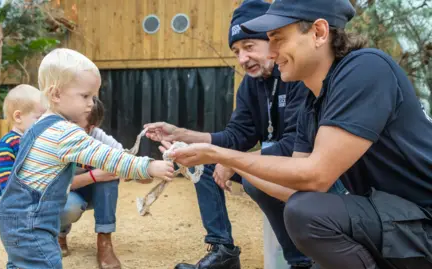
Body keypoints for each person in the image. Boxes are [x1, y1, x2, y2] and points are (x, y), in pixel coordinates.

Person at [168, 0, 432, 268]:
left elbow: (316, 176)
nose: (271, 53)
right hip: (394, 219)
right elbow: (295, 186)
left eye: (278, 39)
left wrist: (221, 155)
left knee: (307, 213)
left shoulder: (366, 69)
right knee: (306, 212)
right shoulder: (313, 100)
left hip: (423, 222)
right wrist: (229, 161)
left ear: (318, 32)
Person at [145, 1, 345, 268]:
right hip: (274, 159)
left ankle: (301, 261)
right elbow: (236, 136)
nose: (242, 59)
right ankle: (223, 250)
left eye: (249, 47)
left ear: (273, 42)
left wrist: (232, 161)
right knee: (205, 166)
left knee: (252, 177)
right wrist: (181, 134)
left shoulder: (298, 75)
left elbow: (294, 146)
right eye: (237, 51)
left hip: (309, 167)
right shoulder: (251, 86)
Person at [0, 48, 175, 269]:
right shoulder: (64, 132)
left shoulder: (39, 128)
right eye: (85, 96)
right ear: (56, 94)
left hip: (14, 218)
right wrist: (150, 166)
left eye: (94, 96)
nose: (92, 103)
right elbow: (109, 158)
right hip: (31, 222)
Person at [58, 97, 124, 269]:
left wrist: (146, 170)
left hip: (93, 193)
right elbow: (52, 185)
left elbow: (124, 159)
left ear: (91, 128)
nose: (68, 125)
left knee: (109, 176)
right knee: (68, 206)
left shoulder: (98, 136)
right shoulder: (55, 137)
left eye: (75, 122)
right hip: (65, 193)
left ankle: (104, 241)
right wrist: (94, 176)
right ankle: (58, 233)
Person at [0, 84, 46, 201]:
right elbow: (6, 183)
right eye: (39, 118)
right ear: (18, 117)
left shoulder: (39, 140)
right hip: (15, 208)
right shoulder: (7, 144)